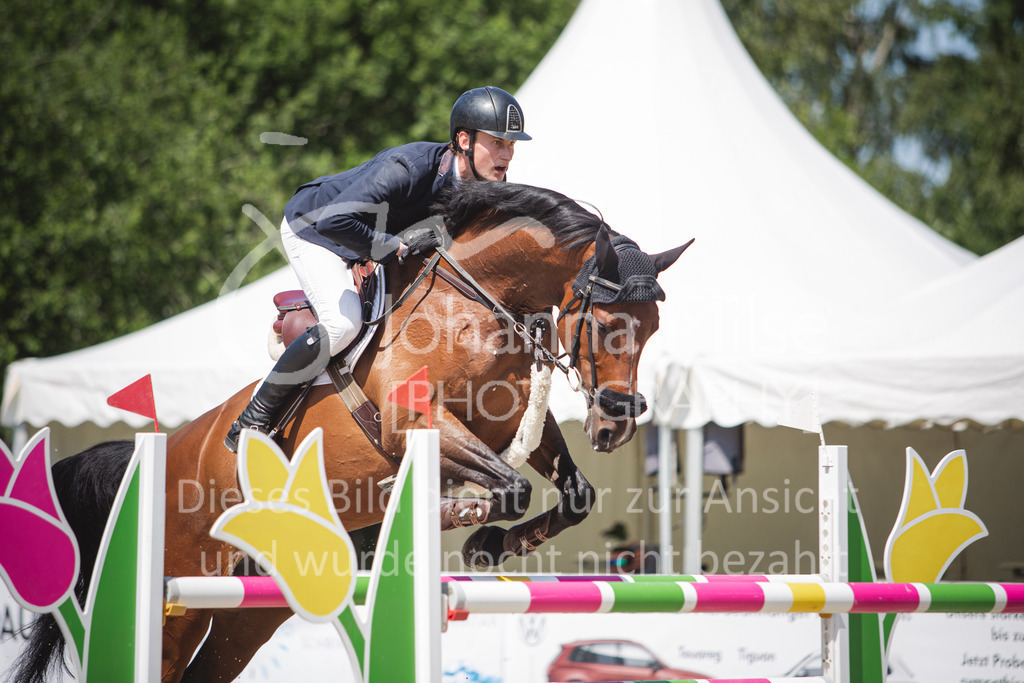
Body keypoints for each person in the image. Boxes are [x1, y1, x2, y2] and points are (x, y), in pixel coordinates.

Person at [225, 86, 532, 452]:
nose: (507, 155)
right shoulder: (407, 169)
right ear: (464, 140)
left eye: (511, 145)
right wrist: (393, 245)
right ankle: (252, 419)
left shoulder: (487, 184)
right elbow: (335, 221)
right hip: (316, 228)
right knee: (343, 324)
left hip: (363, 237)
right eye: (497, 143)